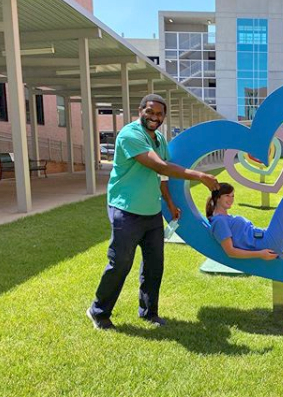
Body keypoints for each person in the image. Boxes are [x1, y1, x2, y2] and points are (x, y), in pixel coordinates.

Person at [87, 94, 219, 330]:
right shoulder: (130, 135)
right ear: (140, 111)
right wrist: (199, 175)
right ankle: (98, 311)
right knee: (120, 263)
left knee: (154, 264)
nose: (154, 117)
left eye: (159, 114)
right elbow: (158, 165)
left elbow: (162, 175)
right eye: (150, 112)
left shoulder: (158, 138)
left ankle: (149, 312)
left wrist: (168, 201)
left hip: (151, 211)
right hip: (125, 209)